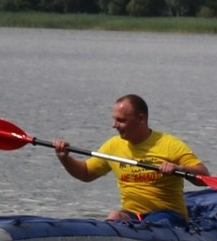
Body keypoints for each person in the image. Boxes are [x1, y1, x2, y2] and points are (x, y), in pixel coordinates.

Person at [54, 95, 205, 225]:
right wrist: (65, 158)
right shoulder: (113, 146)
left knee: (156, 221)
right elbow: (86, 173)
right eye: (114, 119)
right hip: (133, 215)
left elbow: (203, 176)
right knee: (115, 216)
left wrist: (180, 169)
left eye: (121, 120)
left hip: (168, 216)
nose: (114, 125)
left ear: (141, 118)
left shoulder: (170, 145)